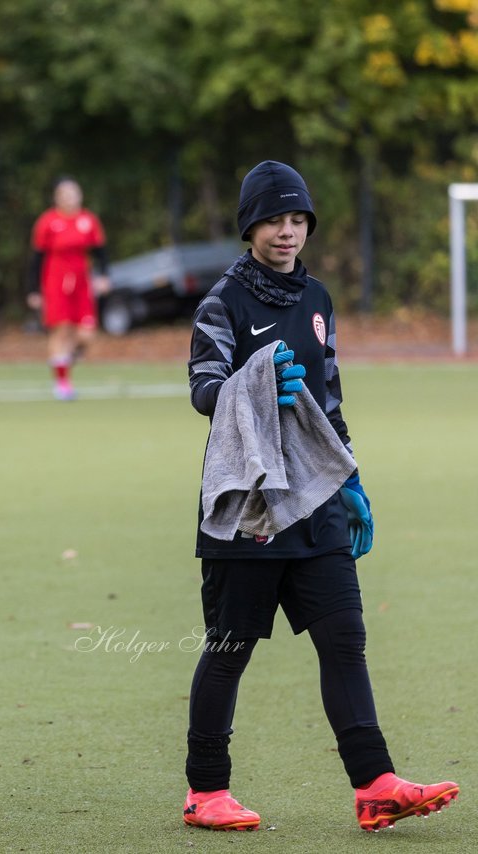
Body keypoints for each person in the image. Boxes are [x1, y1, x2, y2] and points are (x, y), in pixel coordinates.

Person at [182, 160, 459, 832]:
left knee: (345, 639)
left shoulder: (318, 300)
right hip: (248, 503)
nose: (287, 231)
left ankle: (375, 784)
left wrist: (352, 479)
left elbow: (329, 402)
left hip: (318, 502)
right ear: (250, 225)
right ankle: (206, 791)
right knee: (230, 645)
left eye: (298, 218)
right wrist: (251, 382)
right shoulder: (222, 303)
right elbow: (203, 389)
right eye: (274, 219)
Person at [26, 177, 111, 400]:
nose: (70, 198)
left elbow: (100, 251)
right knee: (61, 329)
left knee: (87, 334)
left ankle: (63, 359)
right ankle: (62, 383)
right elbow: (36, 258)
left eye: (74, 193)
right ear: (57, 197)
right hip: (55, 279)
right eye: (65, 193)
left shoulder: (88, 220)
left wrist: (103, 276)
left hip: (81, 279)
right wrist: (33, 290)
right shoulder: (47, 221)